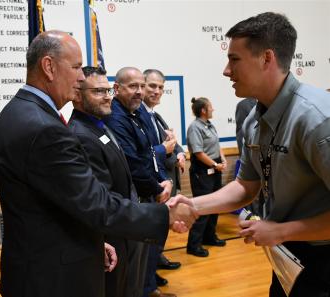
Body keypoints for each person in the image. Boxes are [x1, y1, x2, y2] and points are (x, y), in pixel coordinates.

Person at [0, 31, 197, 297]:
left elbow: (56, 202)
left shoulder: (20, 112)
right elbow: (95, 203)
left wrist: (93, 241)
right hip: (52, 277)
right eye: (76, 67)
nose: (80, 77)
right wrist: (165, 214)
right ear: (49, 67)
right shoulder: (43, 128)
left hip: (39, 264)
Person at [170, 12, 330, 297]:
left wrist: (282, 231)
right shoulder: (254, 119)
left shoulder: (317, 119)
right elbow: (246, 186)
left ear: (266, 58)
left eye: (234, 59)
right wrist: (195, 206)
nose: (226, 70)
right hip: (287, 257)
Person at [68, 66, 148, 297]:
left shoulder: (99, 125)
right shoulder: (81, 135)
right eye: (98, 91)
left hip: (125, 228)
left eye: (107, 90)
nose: (107, 96)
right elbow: (98, 196)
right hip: (111, 236)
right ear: (78, 95)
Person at [104, 67, 177, 297]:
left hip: (150, 191)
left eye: (141, 86)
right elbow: (134, 162)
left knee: (145, 257)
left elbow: (149, 154)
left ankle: (149, 288)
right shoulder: (117, 116)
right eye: (133, 86)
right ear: (116, 89)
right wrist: (157, 188)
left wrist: (163, 181)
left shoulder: (138, 114)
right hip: (135, 197)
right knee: (131, 270)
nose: (140, 91)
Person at [141, 69, 184, 288]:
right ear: (142, 85)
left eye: (160, 87)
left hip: (165, 183)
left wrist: (179, 151)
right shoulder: (139, 113)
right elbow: (147, 152)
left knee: (158, 237)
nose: (157, 91)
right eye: (152, 86)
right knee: (150, 240)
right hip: (152, 185)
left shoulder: (154, 115)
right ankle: (148, 285)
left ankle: (152, 275)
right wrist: (166, 149)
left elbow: (170, 140)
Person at [185, 97, 227, 257]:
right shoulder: (195, 127)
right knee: (202, 208)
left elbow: (217, 145)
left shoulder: (210, 125)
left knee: (215, 205)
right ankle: (194, 245)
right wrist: (215, 165)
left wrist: (222, 159)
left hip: (215, 167)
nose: (213, 109)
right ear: (203, 110)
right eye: (211, 107)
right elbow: (198, 152)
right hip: (202, 171)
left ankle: (209, 237)